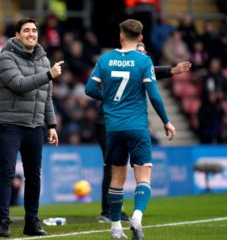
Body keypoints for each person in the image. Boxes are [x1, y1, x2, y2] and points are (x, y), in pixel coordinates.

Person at [85, 19, 176, 239]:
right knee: (143, 175)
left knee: (117, 178)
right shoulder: (143, 61)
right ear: (141, 38)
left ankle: (115, 228)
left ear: (121, 36)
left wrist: (108, 99)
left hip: (113, 128)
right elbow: (154, 95)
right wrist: (165, 120)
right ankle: (136, 217)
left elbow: (89, 88)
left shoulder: (105, 59)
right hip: (137, 127)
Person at [96, 41, 191, 224]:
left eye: (142, 52)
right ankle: (108, 211)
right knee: (113, 169)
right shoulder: (127, 65)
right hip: (106, 123)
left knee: (120, 169)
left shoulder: (136, 65)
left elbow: (149, 70)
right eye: (137, 51)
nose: (140, 55)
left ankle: (114, 214)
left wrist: (171, 70)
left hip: (122, 125)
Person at [0, 17, 62, 238]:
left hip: (35, 125)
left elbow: (47, 97)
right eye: (26, 31)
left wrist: (51, 124)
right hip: (10, 124)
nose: (31, 34)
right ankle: (3, 223)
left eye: (34, 30)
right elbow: (19, 85)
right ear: (17, 35)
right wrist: (48, 75)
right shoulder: (6, 57)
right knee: (7, 173)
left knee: (34, 175)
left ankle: (31, 222)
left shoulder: (43, 59)